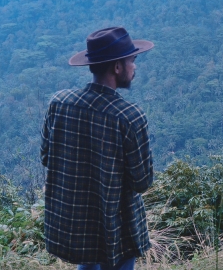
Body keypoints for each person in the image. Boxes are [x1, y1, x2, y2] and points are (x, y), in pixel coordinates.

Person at [41, 26, 155, 270]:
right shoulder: (129, 117)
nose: (135, 67)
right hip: (116, 229)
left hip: (76, 227)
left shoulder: (59, 104)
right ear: (117, 67)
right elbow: (142, 182)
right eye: (132, 61)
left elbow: (46, 157)